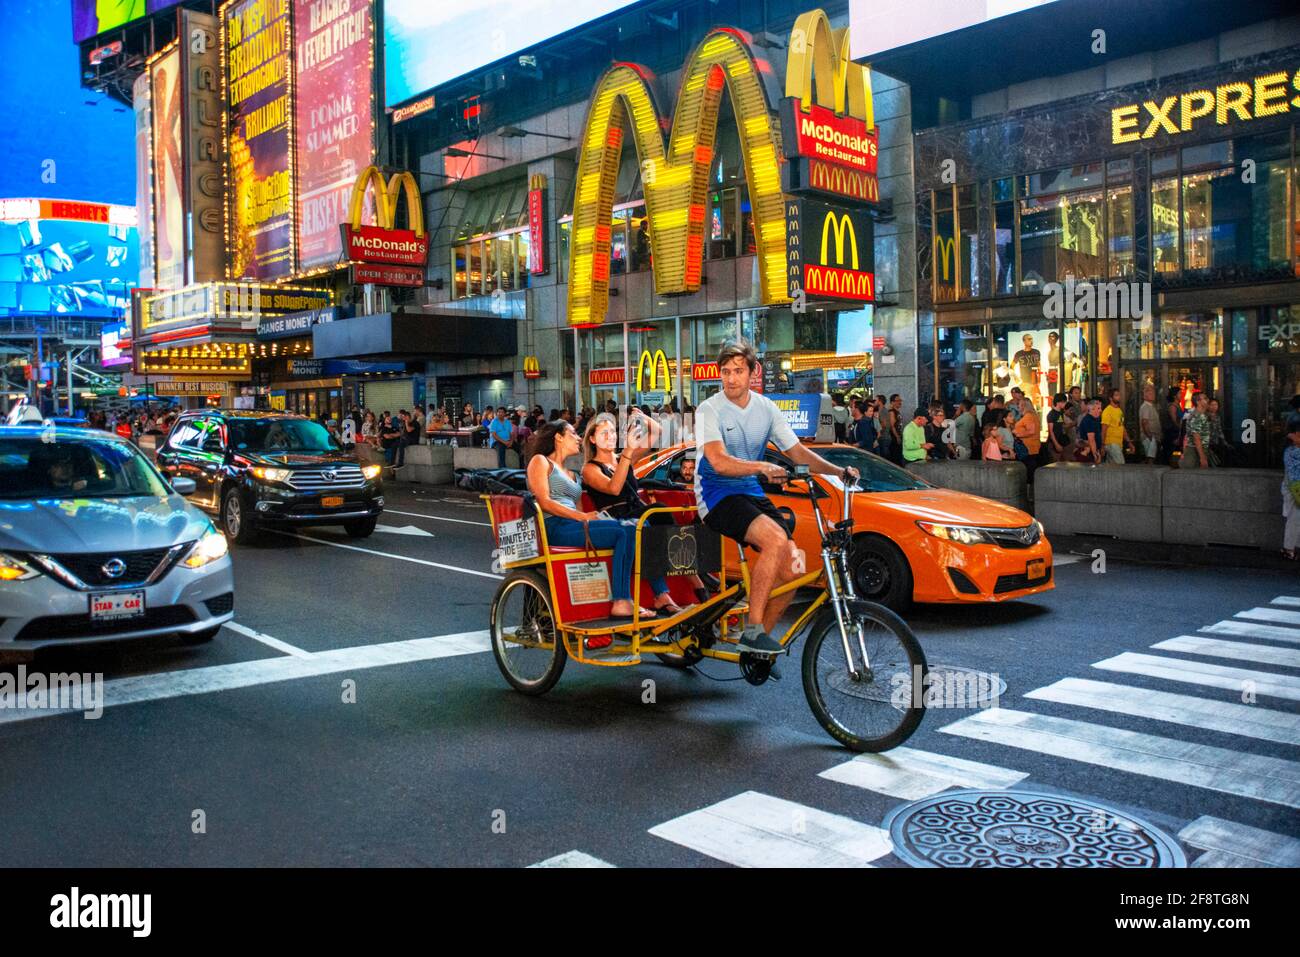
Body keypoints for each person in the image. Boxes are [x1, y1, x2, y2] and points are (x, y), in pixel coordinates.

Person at [694, 340, 857, 655]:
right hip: (716, 495)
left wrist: (837, 471)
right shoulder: (709, 409)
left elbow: (795, 451)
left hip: (751, 492)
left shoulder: (766, 408)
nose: (731, 378)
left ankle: (757, 649)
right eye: (725, 371)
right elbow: (718, 461)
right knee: (774, 540)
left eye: (738, 371)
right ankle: (753, 630)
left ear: (753, 373)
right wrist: (763, 467)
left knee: (794, 570)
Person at [526, 421, 656, 644]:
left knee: (634, 528)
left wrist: (592, 519)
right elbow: (544, 502)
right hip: (554, 526)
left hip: (574, 525)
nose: (578, 438)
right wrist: (584, 518)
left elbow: (578, 508)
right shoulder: (541, 462)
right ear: (558, 437)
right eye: (573, 433)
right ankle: (621, 601)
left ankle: (646, 596)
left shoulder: (573, 474)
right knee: (622, 532)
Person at [581, 410, 702, 609]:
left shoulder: (622, 458)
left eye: (612, 432)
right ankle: (692, 582)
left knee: (661, 515)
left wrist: (640, 416)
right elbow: (614, 488)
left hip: (640, 510)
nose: (610, 436)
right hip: (618, 517)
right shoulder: (590, 468)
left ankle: (689, 581)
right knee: (658, 512)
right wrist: (627, 453)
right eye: (604, 433)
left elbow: (656, 431)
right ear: (593, 439)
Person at [1180, 392, 1215, 468]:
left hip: (1199, 450)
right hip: (1194, 452)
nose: (1208, 400)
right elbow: (1196, 438)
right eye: (1205, 398)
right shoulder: (1197, 416)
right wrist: (1202, 458)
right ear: (1198, 402)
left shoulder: (1203, 415)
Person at [1101, 388, 1134, 464]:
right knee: (1121, 465)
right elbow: (1103, 429)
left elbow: (1122, 427)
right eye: (1116, 395)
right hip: (1111, 443)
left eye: (1119, 395)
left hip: (1118, 443)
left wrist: (1129, 442)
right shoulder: (1107, 411)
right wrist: (1102, 445)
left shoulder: (1119, 410)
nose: (1119, 397)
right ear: (1110, 398)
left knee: (1111, 468)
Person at [1282, 424, 1300, 560]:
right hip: (1294, 488)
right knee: (1294, 518)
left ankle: (1293, 547)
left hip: (1294, 488)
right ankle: (1289, 548)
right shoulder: (1290, 451)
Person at [1013, 396, 1041, 475]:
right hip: (1030, 447)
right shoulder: (1031, 415)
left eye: (1019, 404)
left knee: (1029, 470)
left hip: (1028, 448)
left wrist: (1017, 434)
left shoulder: (1029, 416)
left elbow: (1031, 431)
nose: (1018, 406)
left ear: (1024, 406)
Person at [1075, 397, 1103, 464]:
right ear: (1092, 409)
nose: (1101, 410)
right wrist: (1095, 455)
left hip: (1092, 450)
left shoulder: (1096, 419)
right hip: (1087, 453)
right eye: (1098, 408)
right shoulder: (1089, 420)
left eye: (1100, 408)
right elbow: (1091, 439)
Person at [1138, 385, 1161, 463]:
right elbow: (1145, 422)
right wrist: (1150, 436)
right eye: (1151, 393)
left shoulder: (1151, 406)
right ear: (1145, 395)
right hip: (1149, 437)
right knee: (1150, 458)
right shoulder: (1145, 407)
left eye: (1154, 393)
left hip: (1153, 437)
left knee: (1151, 457)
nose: (1154, 395)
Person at [1047, 393, 1070, 462]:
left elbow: (1061, 425)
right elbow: (1051, 431)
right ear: (1058, 402)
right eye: (1064, 402)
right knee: (1056, 463)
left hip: (1061, 440)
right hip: (1054, 442)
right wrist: (1056, 444)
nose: (1065, 404)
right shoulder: (1051, 414)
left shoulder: (1061, 412)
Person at [886, 394, 905, 464]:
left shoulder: (897, 411)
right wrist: (897, 437)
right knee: (895, 457)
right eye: (897, 400)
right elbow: (892, 425)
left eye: (900, 400)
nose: (900, 402)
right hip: (893, 437)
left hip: (898, 435)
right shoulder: (891, 412)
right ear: (892, 402)